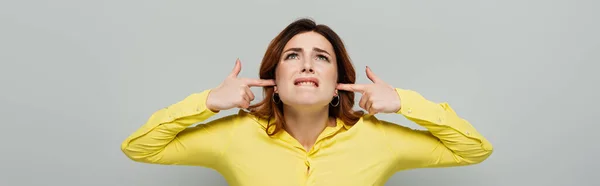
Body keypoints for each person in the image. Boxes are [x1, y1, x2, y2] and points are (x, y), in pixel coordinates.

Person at [121, 18, 493, 186]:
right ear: (276, 82)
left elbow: (473, 151)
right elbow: (140, 148)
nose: (307, 65)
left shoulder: (378, 139)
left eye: (322, 57)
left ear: (337, 87)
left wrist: (404, 102)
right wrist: (207, 102)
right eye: (293, 56)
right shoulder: (233, 136)